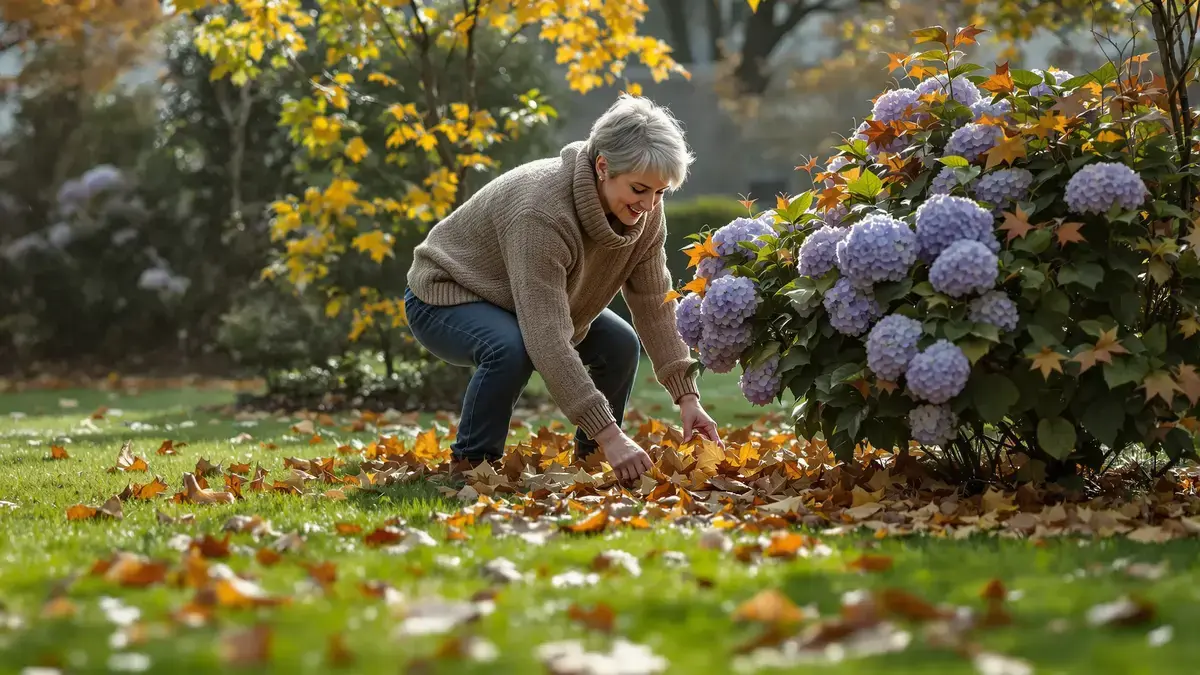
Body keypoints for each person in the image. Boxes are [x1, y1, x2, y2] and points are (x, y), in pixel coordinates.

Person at [403, 94, 721, 482]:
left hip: (528, 301)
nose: (650, 205)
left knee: (620, 345)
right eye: (640, 190)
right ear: (603, 166)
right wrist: (612, 433)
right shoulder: (541, 212)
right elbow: (547, 336)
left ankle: (593, 460)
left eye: (660, 193)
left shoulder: (645, 216)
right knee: (510, 348)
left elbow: (655, 303)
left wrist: (688, 397)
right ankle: (472, 467)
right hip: (448, 294)